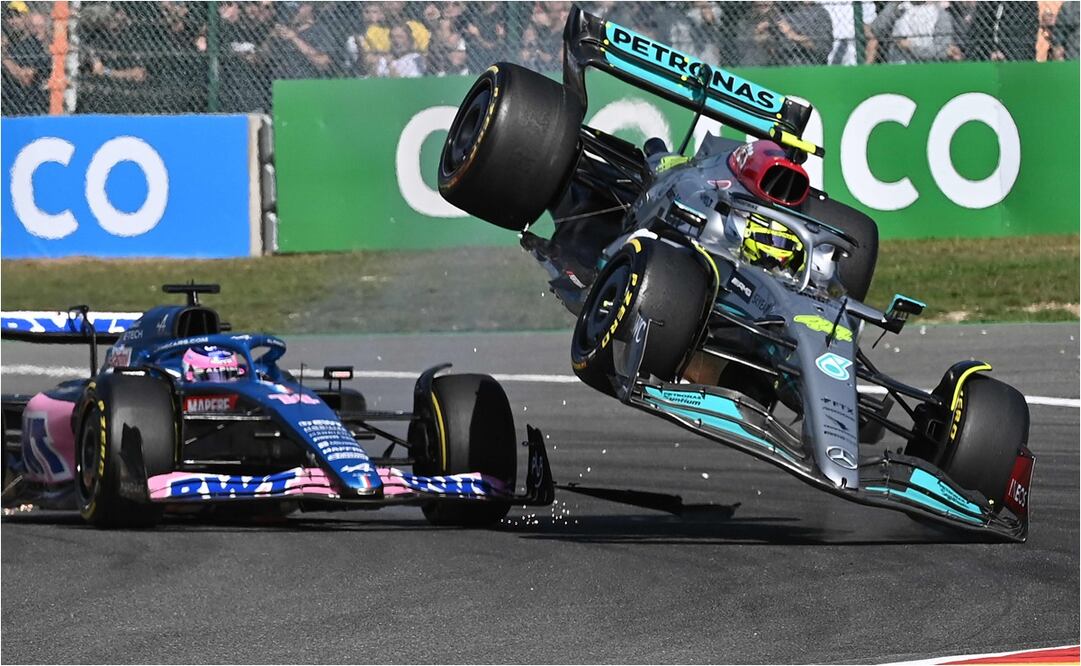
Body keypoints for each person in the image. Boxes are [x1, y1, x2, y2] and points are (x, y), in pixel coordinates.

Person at [218, 0, 274, 112]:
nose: (224, 9)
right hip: (228, 94)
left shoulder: (263, 30)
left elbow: (260, 59)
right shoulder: (223, 28)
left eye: (229, 5)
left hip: (254, 95)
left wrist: (251, 55)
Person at [1, 0, 48, 115]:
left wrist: (3, 56)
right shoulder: (10, 44)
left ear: (27, 17)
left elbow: (25, 79)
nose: (12, 21)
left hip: (26, 108)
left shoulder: (33, 45)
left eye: (18, 16)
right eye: (9, 17)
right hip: (6, 107)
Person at [267, 2, 334, 81]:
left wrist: (294, 38)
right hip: (281, 80)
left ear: (309, 8)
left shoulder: (319, 30)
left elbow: (323, 62)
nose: (295, 11)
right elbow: (266, 52)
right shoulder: (287, 28)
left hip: (306, 81)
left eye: (300, 6)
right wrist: (272, 35)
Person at [964, 1, 1039, 61]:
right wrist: (994, 50)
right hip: (992, 52)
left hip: (1018, 53)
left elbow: (1029, 34)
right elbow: (982, 26)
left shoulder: (1030, 6)